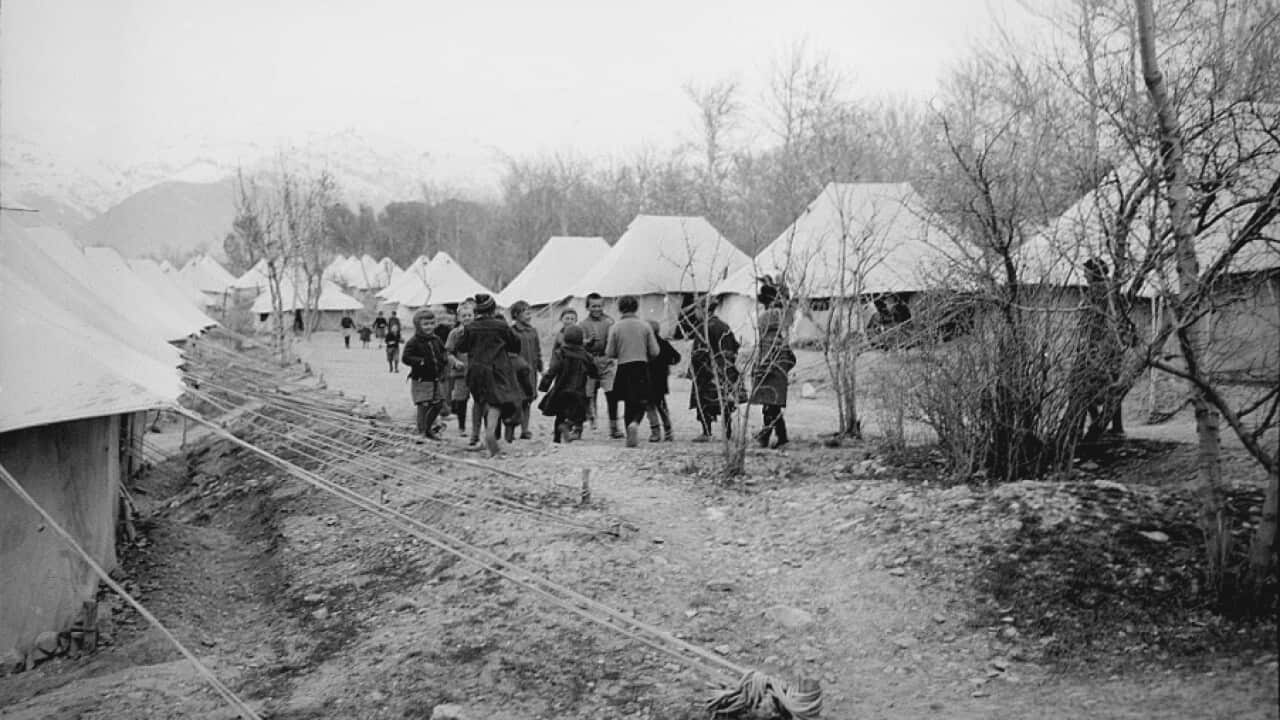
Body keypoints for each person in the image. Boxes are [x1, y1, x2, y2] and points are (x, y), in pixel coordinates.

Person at [451, 294, 523, 457]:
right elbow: (515, 345)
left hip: (476, 370)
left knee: (481, 401)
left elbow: (461, 347)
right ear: (493, 309)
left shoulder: (470, 327)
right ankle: (491, 434)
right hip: (498, 369)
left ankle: (481, 436)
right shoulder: (501, 326)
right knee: (498, 402)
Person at [605, 295, 659, 447]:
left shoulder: (615, 327)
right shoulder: (645, 326)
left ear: (620, 309)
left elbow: (609, 352)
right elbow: (655, 351)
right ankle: (635, 423)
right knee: (641, 400)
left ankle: (629, 430)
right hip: (641, 366)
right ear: (637, 307)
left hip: (624, 367)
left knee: (628, 401)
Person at [750, 277, 797, 449]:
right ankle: (774, 436)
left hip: (770, 371)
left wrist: (762, 368)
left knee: (770, 406)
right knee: (772, 406)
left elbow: (765, 355)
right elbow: (791, 358)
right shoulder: (782, 327)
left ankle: (772, 437)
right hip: (778, 372)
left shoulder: (768, 325)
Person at [689, 296, 740, 441]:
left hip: (706, 371)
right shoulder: (724, 326)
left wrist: (695, 368)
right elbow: (735, 347)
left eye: (697, 309)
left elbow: (699, 352)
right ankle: (728, 432)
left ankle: (706, 432)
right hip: (725, 369)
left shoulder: (704, 327)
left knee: (704, 401)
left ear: (704, 310)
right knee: (724, 402)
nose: (695, 313)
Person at [538, 325, 598, 443]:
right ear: (581, 340)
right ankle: (567, 426)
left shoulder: (560, 353)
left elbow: (552, 370)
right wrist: (593, 380)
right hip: (578, 391)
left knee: (560, 414)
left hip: (561, 389)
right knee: (578, 415)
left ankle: (556, 439)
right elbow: (594, 371)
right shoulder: (586, 355)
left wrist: (544, 385)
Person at [401, 309, 449, 440]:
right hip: (421, 379)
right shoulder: (414, 341)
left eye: (431, 323)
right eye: (425, 324)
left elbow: (443, 352)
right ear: (418, 326)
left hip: (435, 379)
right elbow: (405, 358)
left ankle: (428, 429)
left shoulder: (436, 339)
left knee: (438, 404)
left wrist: (444, 362)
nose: (429, 327)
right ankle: (421, 432)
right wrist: (421, 361)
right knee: (423, 405)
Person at [580, 293, 619, 437]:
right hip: (590, 360)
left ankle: (614, 426)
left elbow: (615, 339)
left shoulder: (609, 322)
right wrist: (587, 342)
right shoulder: (583, 324)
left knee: (611, 393)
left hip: (606, 360)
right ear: (588, 307)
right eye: (593, 306)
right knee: (589, 394)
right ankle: (591, 420)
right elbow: (579, 343)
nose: (597, 309)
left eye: (599, 306)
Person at [508, 300, 543, 440]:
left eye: (530, 311)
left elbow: (538, 351)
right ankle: (510, 430)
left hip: (531, 371)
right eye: (525, 311)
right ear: (516, 315)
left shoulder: (533, 331)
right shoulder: (511, 332)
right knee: (515, 401)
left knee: (527, 400)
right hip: (516, 372)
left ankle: (525, 429)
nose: (529, 314)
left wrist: (541, 368)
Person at [645, 320, 681, 442]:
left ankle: (655, 432)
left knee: (649, 406)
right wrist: (667, 363)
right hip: (660, 380)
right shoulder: (664, 343)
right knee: (661, 406)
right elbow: (677, 357)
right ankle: (668, 431)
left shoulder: (645, 345)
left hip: (647, 379)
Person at [446, 302, 476, 440]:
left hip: (477, 372)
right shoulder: (454, 333)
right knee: (461, 400)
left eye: (470, 315)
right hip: (461, 373)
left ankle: (477, 428)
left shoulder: (478, 331)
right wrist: (455, 361)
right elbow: (448, 353)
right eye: (464, 316)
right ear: (458, 318)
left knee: (480, 400)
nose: (467, 318)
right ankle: (461, 427)